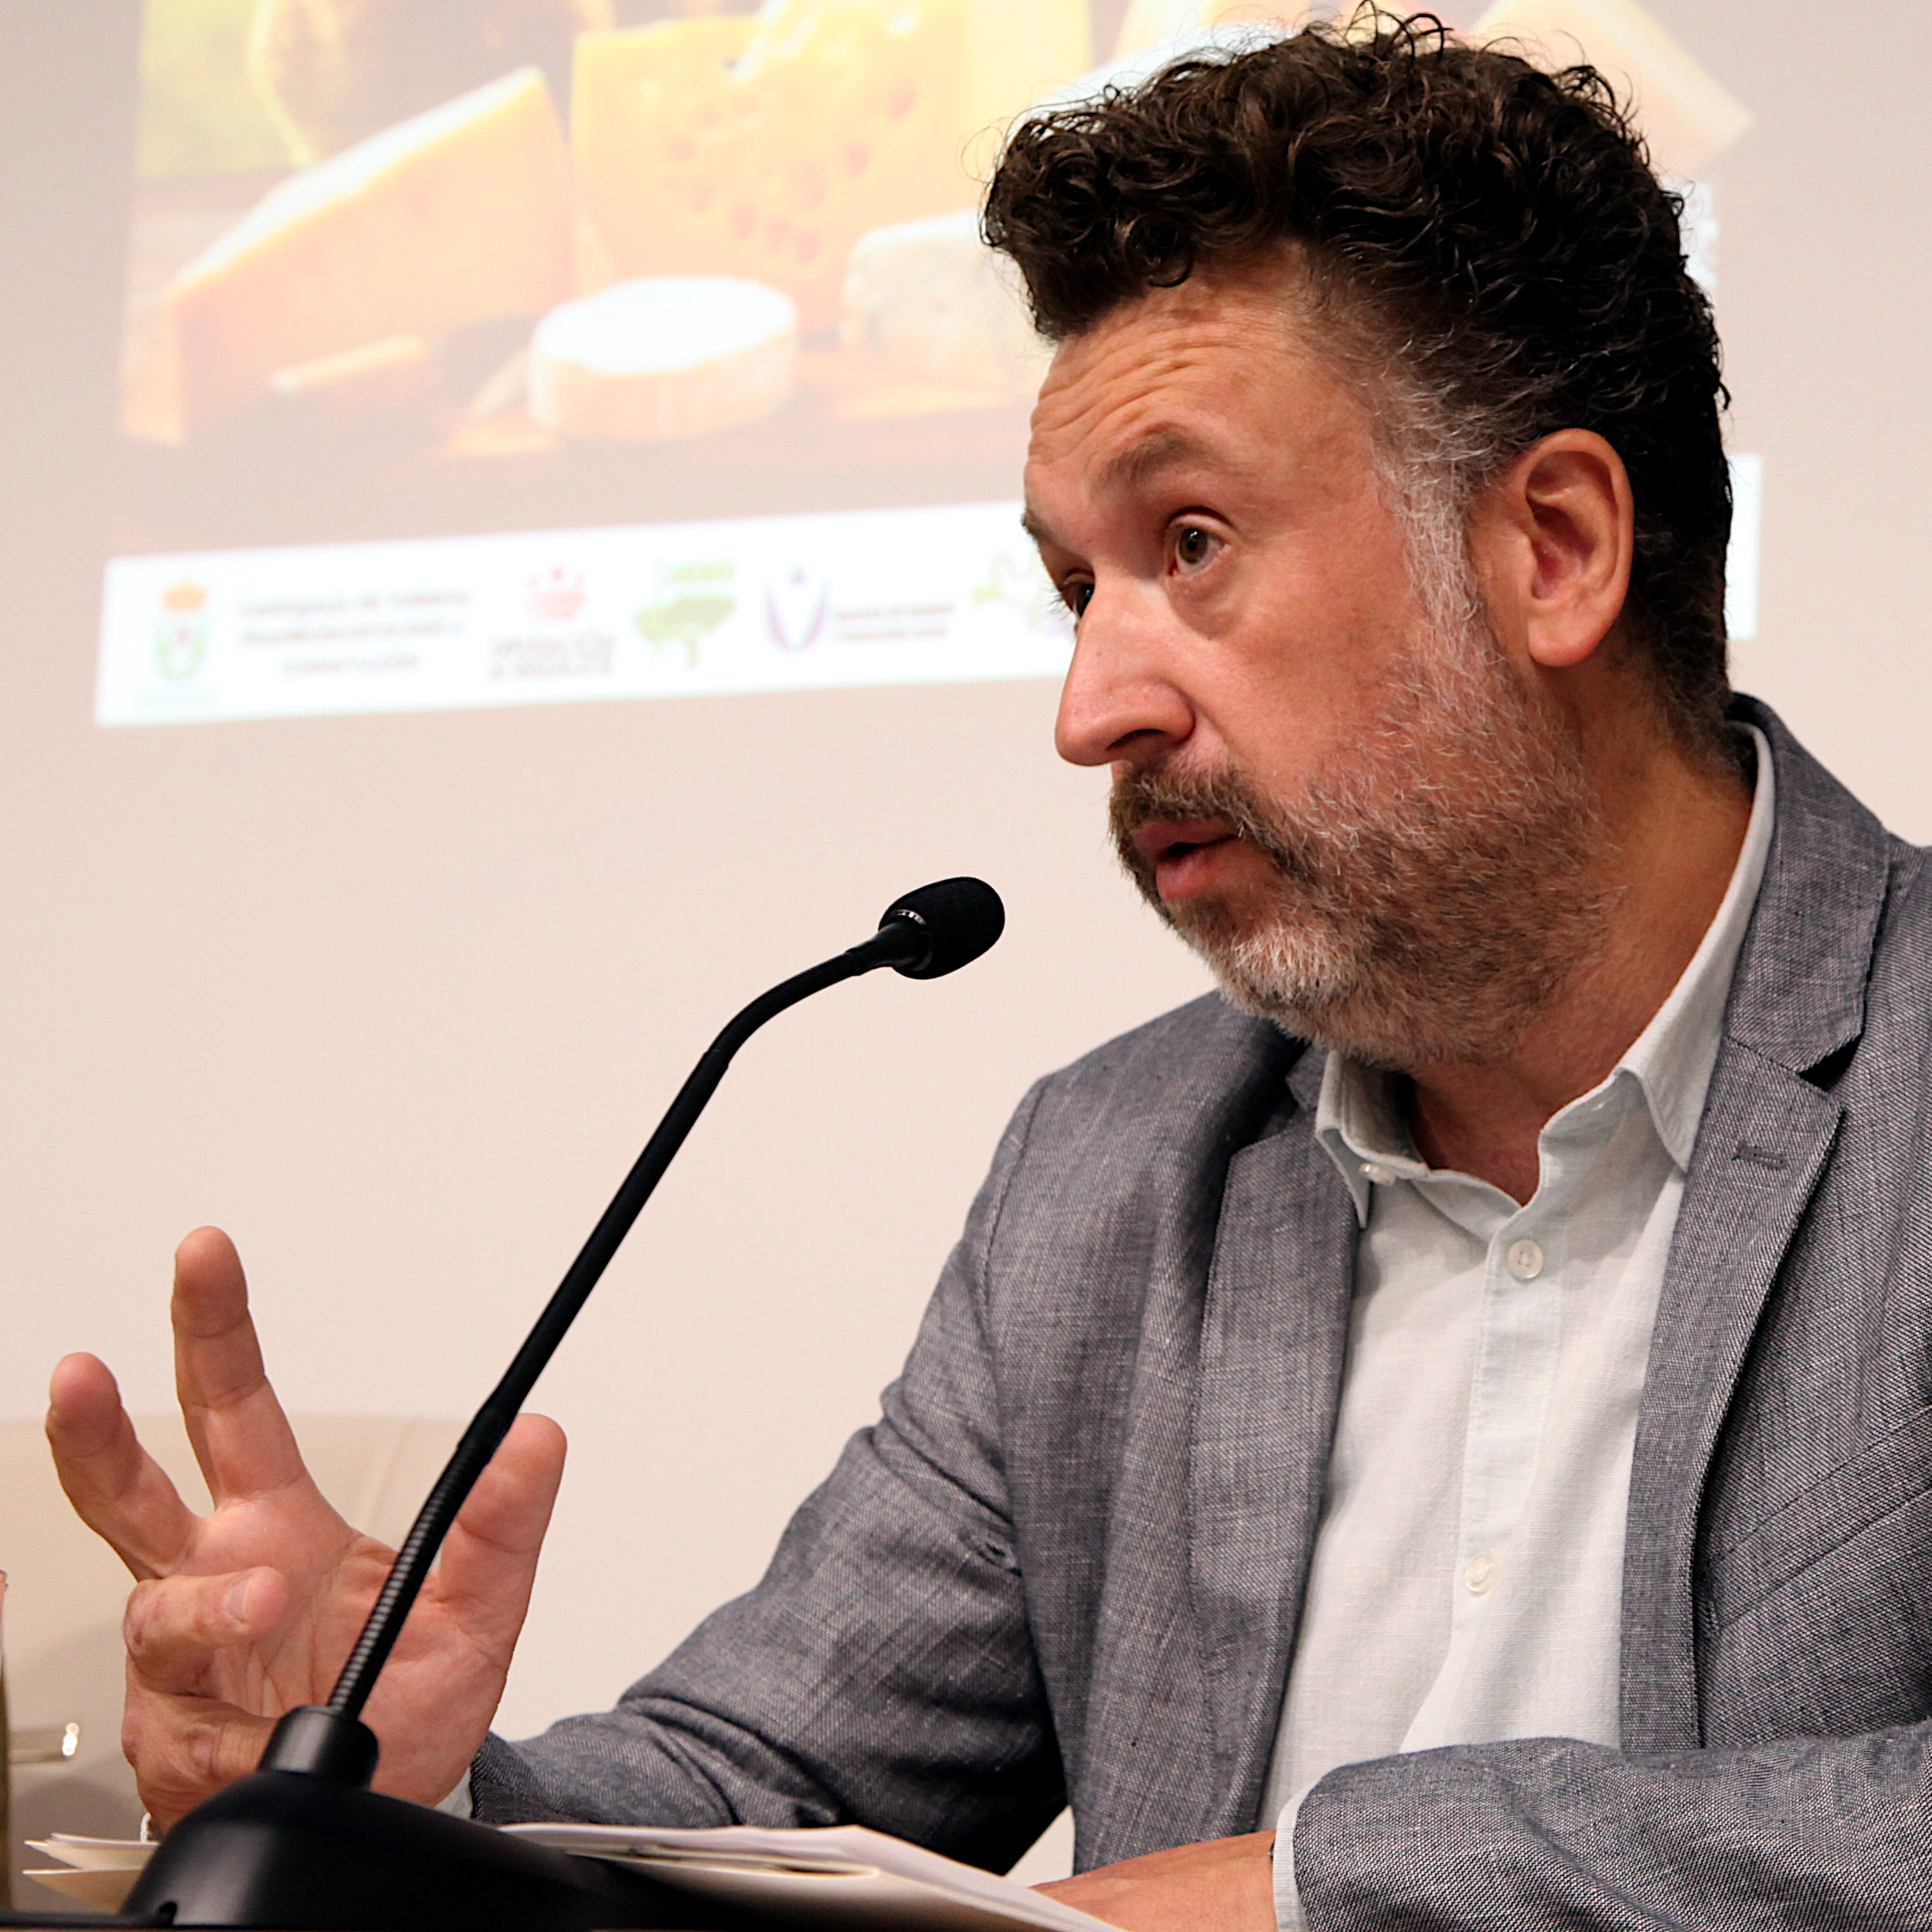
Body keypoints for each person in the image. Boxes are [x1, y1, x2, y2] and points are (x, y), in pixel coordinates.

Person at [44, 17, 1932, 1930]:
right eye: (1073, 590)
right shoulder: (1110, 1177)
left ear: (1551, 549)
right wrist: (392, 1789)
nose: (1089, 707)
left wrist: (1312, 1889)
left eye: (1190, 543)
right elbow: (753, 1792)